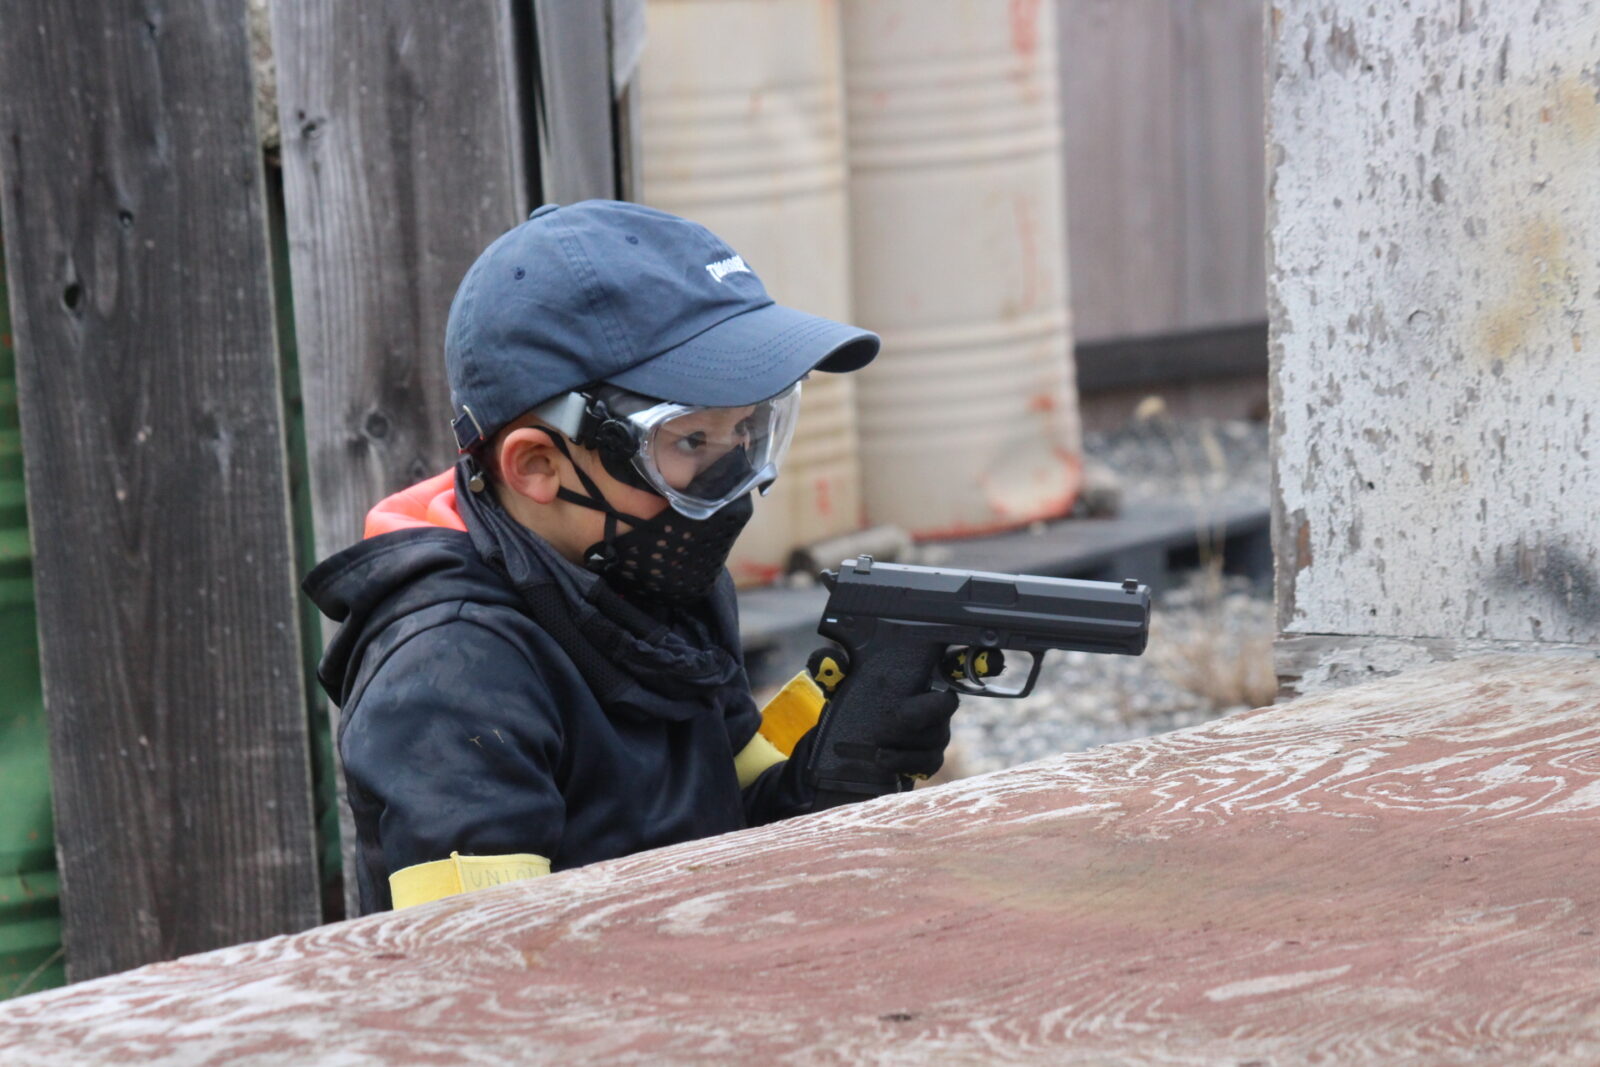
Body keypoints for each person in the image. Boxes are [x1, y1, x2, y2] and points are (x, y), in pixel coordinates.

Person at [304, 200, 959, 915]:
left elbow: (730, 810)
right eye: (690, 442)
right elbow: (492, 957)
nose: (733, 483)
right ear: (537, 465)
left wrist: (834, 763)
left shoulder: (647, 572)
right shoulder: (450, 674)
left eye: (750, 429)